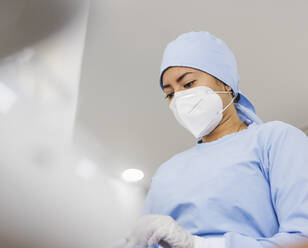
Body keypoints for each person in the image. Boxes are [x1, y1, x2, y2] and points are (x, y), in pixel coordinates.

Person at [119, 31, 308, 248]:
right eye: (169, 93)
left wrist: (200, 245)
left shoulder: (275, 141)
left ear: (225, 82)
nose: (179, 98)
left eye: (188, 83)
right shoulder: (166, 173)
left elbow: (303, 238)